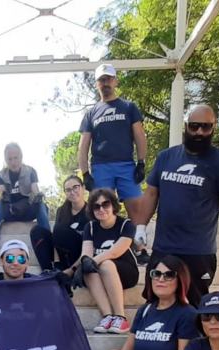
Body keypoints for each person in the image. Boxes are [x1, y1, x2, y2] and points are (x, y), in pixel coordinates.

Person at [132, 105, 219, 306]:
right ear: (186, 126)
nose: (199, 132)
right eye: (194, 126)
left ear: (213, 129)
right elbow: (151, 193)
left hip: (198, 251)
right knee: (157, 304)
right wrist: (140, 226)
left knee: (194, 307)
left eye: (205, 127)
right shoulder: (166, 157)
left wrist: (204, 208)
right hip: (164, 247)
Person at [78, 63, 148, 263]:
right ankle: (99, 248)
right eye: (101, 79)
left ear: (115, 81)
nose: (105, 83)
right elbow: (83, 146)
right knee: (100, 209)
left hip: (126, 165)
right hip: (101, 167)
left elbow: (140, 136)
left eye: (108, 79)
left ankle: (140, 247)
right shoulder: (91, 113)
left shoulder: (129, 107)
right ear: (96, 84)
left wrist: (141, 162)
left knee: (137, 206)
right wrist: (85, 174)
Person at [80, 188, 139, 334]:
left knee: (103, 264)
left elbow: (115, 251)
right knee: (89, 270)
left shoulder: (126, 225)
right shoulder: (91, 227)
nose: (101, 209)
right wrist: (84, 264)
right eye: (96, 206)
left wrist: (90, 262)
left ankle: (121, 317)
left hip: (127, 271)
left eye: (105, 204)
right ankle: (107, 316)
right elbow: (86, 254)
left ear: (113, 205)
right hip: (103, 272)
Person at [0, 143, 50, 249]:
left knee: (41, 204)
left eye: (16, 158)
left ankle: (46, 238)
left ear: (21, 157)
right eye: (10, 159)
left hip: (27, 209)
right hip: (11, 210)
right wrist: (3, 196)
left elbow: (34, 188)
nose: (13, 162)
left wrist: (37, 196)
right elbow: (0, 190)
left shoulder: (30, 171)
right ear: (6, 159)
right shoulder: (1, 175)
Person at [30, 175, 90, 273]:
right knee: (37, 231)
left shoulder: (91, 211)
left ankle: (64, 268)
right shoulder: (62, 210)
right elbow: (56, 238)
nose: (72, 192)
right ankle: (47, 270)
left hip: (80, 252)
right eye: (68, 190)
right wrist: (57, 261)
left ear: (83, 188)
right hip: (62, 252)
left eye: (75, 187)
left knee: (60, 230)